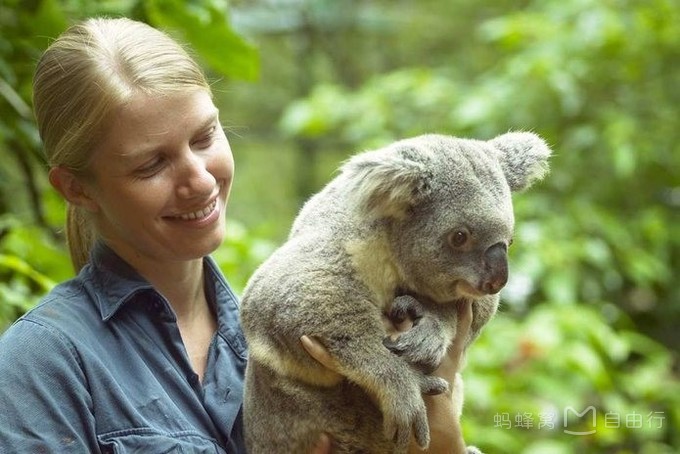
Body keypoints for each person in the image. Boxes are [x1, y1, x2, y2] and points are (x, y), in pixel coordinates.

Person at [0, 16, 466, 453]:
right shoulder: (40, 364)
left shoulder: (300, 327)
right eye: (151, 165)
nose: (200, 180)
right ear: (77, 188)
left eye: (204, 138)